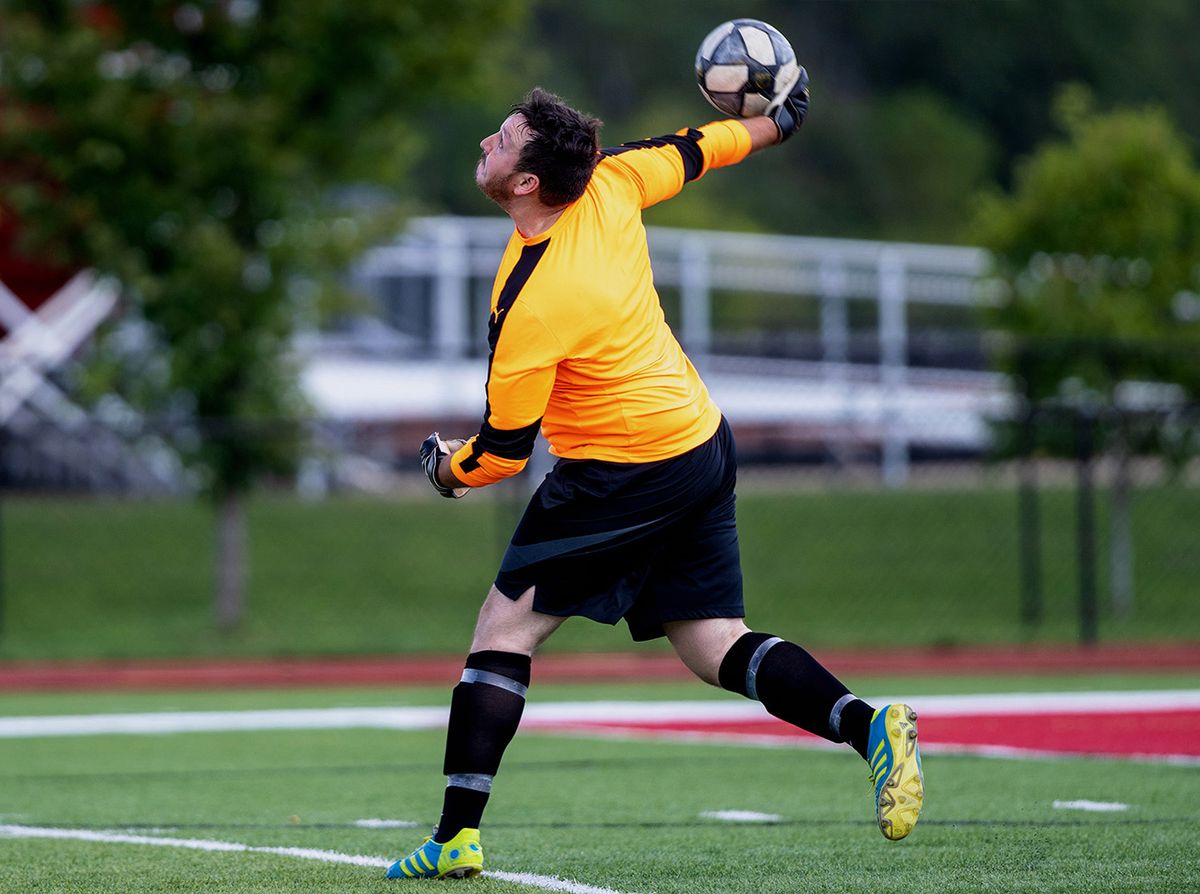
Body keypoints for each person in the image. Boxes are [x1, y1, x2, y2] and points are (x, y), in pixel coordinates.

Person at [386, 74, 924, 882]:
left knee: (502, 635)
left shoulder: (533, 300)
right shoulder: (611, 179)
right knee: (714, 645)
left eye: (498, 142)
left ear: (528, 184)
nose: (484, 147)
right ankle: (868, 723)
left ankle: (455, 837)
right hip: (700, 441)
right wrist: (779, 122)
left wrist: (443, 471)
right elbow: (700, 146)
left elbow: (502, 453)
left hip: (623, 468)